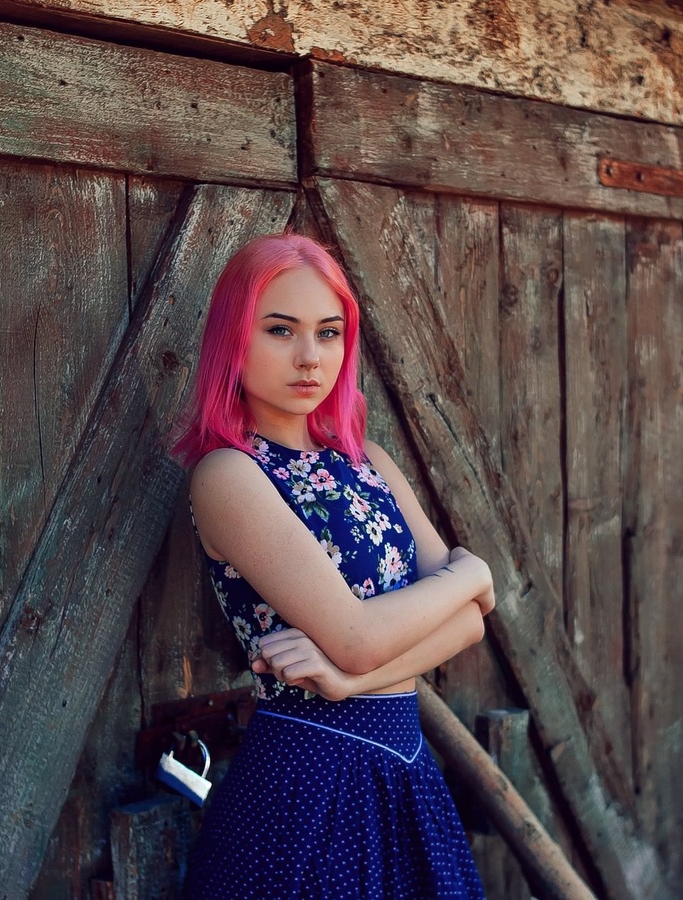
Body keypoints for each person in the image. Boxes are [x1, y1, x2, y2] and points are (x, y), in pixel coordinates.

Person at [172, 232, 495, 898]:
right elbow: (355, 636)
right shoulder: (230, 474)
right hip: (309, 781)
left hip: (405, 767)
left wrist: (350, 682)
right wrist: (473, 575)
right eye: (280, 330)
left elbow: (469, 628)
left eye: (329, 332)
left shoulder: (367, 460)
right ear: (235, 338)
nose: (309, 357)